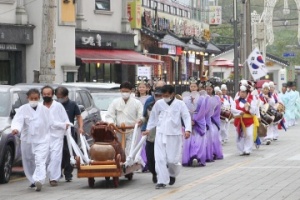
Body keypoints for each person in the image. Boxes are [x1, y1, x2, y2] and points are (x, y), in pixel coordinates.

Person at [143, 85, 191, 189]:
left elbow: (186, 116)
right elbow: (153, 117)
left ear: (172, 94)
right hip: (160, 134)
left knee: (172, 160)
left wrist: (187, 129)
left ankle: (172, 174)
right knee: (160, 159)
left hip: (174, 135)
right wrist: (148, 129)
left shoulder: (180, 104)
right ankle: (162, 181)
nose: (164, 97)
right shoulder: (159, 104)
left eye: (166, 95)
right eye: (163, 95)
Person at [11, 88, 51, 191]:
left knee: (40, 160)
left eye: (36, 98)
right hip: (27, 139)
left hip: (42, 139)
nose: (34, 100)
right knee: (28, 160)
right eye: (31, 98)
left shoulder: (44, 110)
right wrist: (16, 129)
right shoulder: (22, 109)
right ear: (27, 98)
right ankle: (32, 180)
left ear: (39, 98)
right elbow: (18, 121)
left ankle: (39, 179)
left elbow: (50, 123)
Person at [41, 86, 70, 186]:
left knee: (55, 157)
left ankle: (54, 178)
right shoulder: (40, 107)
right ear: (42, 95)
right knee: (46, 157)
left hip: (57, 136)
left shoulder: (58, 106)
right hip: (43, 136)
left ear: (52, 95)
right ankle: (43, 176)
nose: (46, 96)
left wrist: (64, 125)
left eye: (48, 94)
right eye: (44, 94)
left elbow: (66, 120)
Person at [106, 81, 143, 156]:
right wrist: (112, 123)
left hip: (132, 130)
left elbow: (141, 115)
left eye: (126, 91)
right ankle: (119, 164)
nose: (124, 93)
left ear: (131, 91)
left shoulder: (137, 103)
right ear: (120, 91)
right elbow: (110, 115)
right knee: (118, 149)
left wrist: (139, 121)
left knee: (130, 150)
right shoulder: (115, 102)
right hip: (118, 129)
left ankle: (128, 164)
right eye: (123, 91)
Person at [55, 86, 84, 182]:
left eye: (61, 97)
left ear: (66, 96)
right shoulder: (54, 105)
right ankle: (57, 173)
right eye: (57, 97)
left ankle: (68, 173)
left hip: (68, 133)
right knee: (57, 152)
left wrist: (80, 128)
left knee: (68, 152)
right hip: (56, 132)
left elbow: (79, 117)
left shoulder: (72, 104)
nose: (60, 99)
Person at [182, 80, 207, 167]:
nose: (193, 88)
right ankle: (190, 157)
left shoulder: (202, 99)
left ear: (198, 87)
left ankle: (198, 157)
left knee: (199, 140)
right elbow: (184, 111)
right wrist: (189, 121)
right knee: (189, 140)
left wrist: (195, 120)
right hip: (189, 122)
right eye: (191, 86)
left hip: (199, 122)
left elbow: (202, 111)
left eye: (194, 86)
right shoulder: (185, 99)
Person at [231, 85, 258, 155]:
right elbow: (232, 110)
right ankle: (240, 150)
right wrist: (240, 112)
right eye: (241, 92)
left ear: (246, 93)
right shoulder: (235, 101)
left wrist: (249, 108)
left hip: (248, 121)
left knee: (249, 134)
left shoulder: (250, 101)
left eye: (243, 92)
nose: (242, 93)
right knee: (239, 135)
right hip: (238, 121)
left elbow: (253, 111)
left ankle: (247, 149)